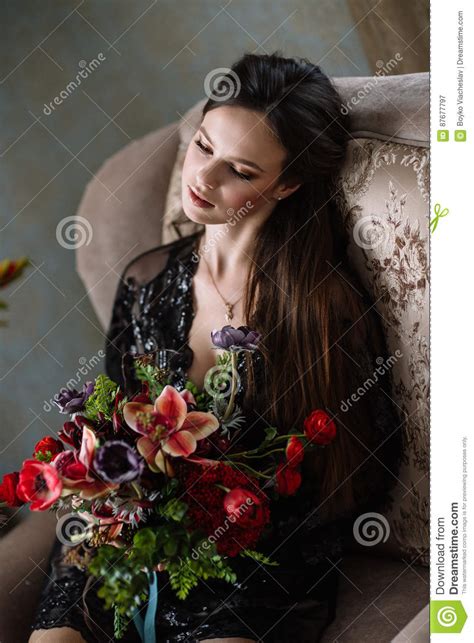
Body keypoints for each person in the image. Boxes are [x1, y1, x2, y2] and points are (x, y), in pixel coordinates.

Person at [29, 51, 403, 643]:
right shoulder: (145, 282)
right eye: (203, 146)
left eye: (240, 171)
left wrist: (216, 527)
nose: (203, 180)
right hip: (124, 547)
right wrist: (118, 509)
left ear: (287, 183)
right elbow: (103, 437)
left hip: (246, 573)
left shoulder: (319, 310)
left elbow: (357, 479)